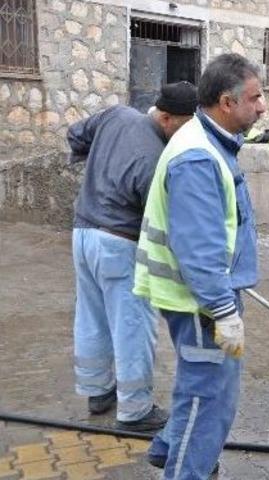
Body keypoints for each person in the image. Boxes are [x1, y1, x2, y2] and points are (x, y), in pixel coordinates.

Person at [134, 53, 266, 479]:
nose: (262, 106)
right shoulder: (198, 158)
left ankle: (169, 448)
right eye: (255, 97)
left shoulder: (207, 141)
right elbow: (198, 248)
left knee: (206, 388)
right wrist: (224, 311)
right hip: (198, 304)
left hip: (205, 298)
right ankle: (185, 469)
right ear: (227, 103)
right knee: (208, 398)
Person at [68, 82, 198, 432]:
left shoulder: (115, 114)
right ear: (166, 117)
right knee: (133, 326)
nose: (188, 136)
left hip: (82, 234)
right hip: (119, 245)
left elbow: (75, 136)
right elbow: (162, 222)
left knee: (91, 317)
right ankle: (136, 410)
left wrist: (97, 166)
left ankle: (97, 392)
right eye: (185, 127)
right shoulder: (154, 158)